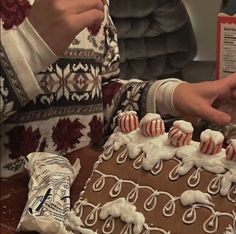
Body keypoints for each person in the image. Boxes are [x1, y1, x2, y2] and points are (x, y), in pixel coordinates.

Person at [1, 0, 236, 178]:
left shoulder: (97, 6)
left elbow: (98, 99)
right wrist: (27, 47)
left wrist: (170, 96)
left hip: (85, 195)